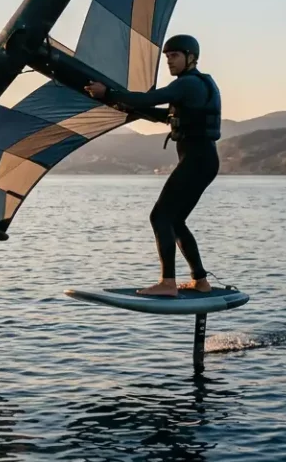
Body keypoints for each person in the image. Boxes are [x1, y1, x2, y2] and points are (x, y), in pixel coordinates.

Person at [85, 34, 221, 297]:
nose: (169, 61)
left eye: (175, 56)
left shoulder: (188, 84)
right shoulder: (194, 86)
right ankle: (201, 281)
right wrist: (124, 105)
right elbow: (165, 115)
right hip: (203, 160)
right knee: (175, 219)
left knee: (160, 216)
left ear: (190, 58)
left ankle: (167, 283)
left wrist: (108, 93)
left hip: (198, 160)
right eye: (167, 57)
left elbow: (149, 99)